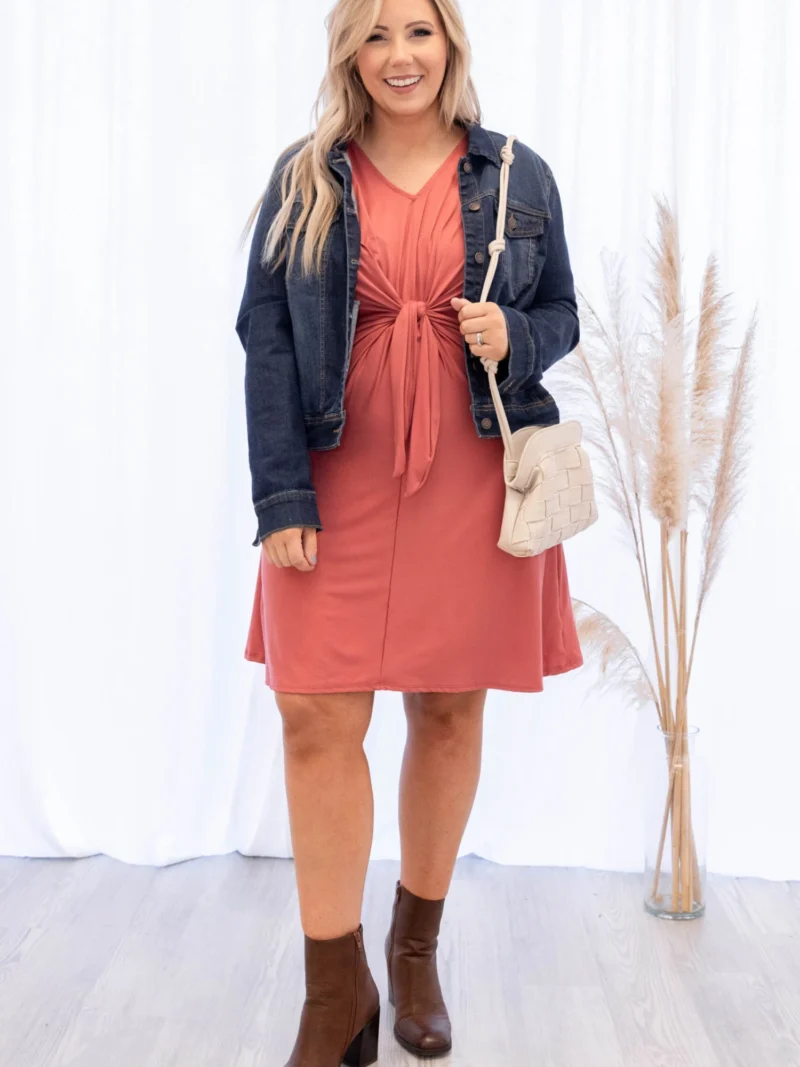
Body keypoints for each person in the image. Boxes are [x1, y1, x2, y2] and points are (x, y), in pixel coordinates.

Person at [235, 0, 584, 1062]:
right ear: (350, 54)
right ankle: (332, 989)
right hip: (333, 475)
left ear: (450, 44)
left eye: (418, 32)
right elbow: (265, 338)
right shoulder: (307, 176)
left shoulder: (514, 174)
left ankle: (415, 947)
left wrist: (513, 331)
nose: (399, 56)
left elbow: (562, 312)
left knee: (446, 707)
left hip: (468, 477)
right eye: (376, 36)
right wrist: (280, 495)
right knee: (312, 712)